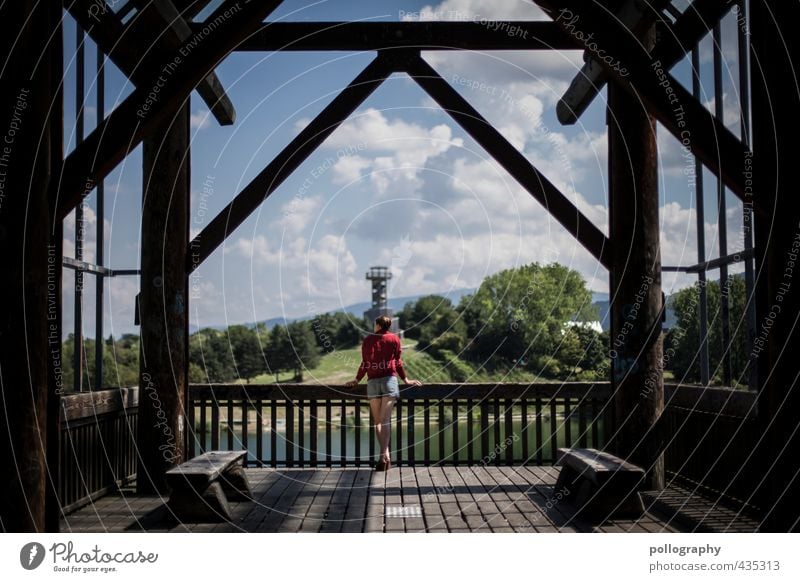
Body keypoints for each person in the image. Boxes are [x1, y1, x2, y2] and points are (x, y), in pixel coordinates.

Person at [345, 315, 421, 471]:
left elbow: (365, 363)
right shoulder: (394, 339)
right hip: (389, 381)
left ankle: (384, 456)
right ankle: (383, 456)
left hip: (372, 383)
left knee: (378, 422)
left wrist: (357, 380)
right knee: (386, 421)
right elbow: (398, 362)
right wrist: (406, 380)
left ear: (378, 325)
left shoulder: (368, 340)